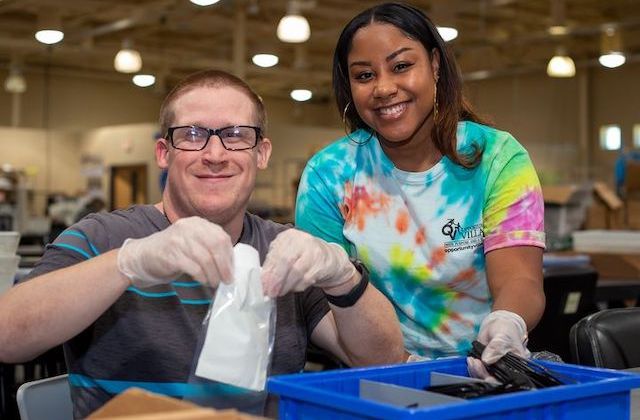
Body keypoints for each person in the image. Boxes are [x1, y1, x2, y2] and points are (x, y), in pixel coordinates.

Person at [0, 69, 404, 418]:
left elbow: (383, 361)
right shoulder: (102, 237)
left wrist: (342, 276)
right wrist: (128, 262)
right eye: (192, 135)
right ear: (164, 152)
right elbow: (7, 336)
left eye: (236, 135)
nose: (215, 153)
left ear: (261, 154)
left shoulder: (287, 252)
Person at [294, 3, 545, 377]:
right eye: (364, 75)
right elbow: (321, 303)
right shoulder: (329, 175)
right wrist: (393, 361)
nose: (383, 88)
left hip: (484, 371)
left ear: (435, 65)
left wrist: (507, 325)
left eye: (401, 66)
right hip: (378, 375)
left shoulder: (497, 158)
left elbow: (520, 278)